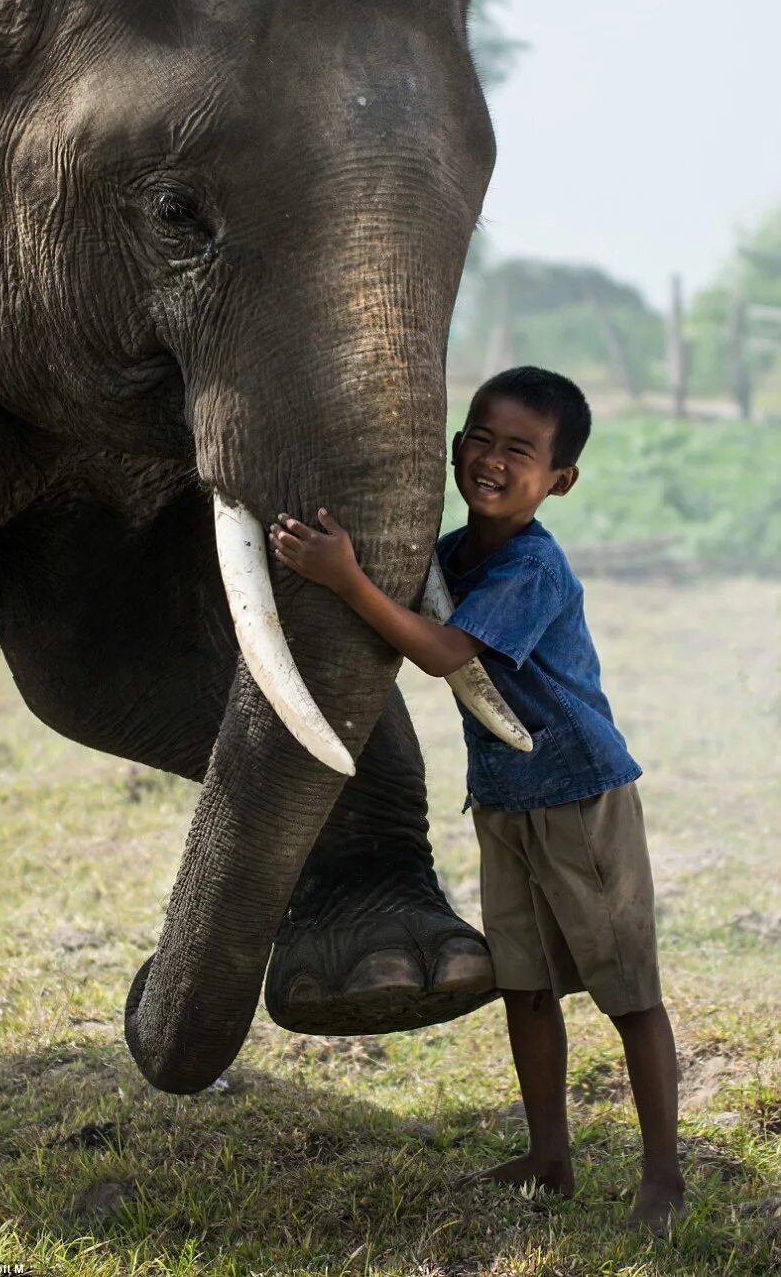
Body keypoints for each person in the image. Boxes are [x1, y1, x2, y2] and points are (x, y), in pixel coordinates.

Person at [268, 365, 685, 1233]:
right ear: (455, 447)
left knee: (627, 990)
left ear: (560, 479)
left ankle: (663, 1174)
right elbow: (408, 586)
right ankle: (550, 1155)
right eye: (479, 440)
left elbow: (442, 651)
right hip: (502, 798)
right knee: (525, 987)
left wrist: (346, 577)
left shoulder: (532, 566)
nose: (492, 460)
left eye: (519, 451)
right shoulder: (457, 551)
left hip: (578, 796)